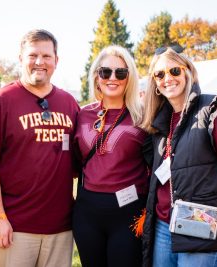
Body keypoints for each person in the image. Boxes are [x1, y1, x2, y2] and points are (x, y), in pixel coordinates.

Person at [141, 46, 217, 267]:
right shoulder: (157, 123)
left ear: (188, 72)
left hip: (203, 229)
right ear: (154, 83)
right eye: (160, 74)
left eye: (174, 70)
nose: (168, 78)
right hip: (163, 228)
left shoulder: (215, 110)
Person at [0, 29, 79, 267]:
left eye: (46, 56)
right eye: (33, 55)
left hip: (61, 227)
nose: (39, 62)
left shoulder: (69, 103)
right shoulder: (1, 101)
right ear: (21, 59)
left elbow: (77, 160)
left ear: (56, 60)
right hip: (16, 226)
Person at [72, 45, 148, 267]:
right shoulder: (83, 114)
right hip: (87, 211)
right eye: (105, 72)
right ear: (97, 77)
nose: (112, 78)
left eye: (121, 73)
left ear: (130, 78)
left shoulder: (144, 115)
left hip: (128, 211)